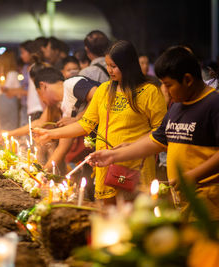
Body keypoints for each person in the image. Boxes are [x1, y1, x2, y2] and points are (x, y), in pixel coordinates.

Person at [86, 46, 219, 218]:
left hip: (209, 205)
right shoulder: (177, 106)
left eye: (168, 85)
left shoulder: (213, 105)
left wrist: (189, 177)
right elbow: (157, 140)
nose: (164, 90)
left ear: (187, 80)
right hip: (183, 201)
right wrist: (114, 156)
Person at [33, 40, 167, 204]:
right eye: (108, 65)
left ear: (128, 65)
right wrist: (50, 133)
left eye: (114, 66)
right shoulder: (104, 90)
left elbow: (160, 132)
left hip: (135, 170)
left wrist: (132, 145)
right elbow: (85, 124)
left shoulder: (149, 92)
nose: (109, 70)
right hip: (106, 168)